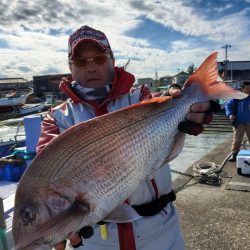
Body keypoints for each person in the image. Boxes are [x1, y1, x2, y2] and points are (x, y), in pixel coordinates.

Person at [36, 26, 219, 250]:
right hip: (95, 241)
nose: (91, 66)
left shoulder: (139, 96)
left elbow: (158, 101)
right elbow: (44, 175)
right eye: (81, 61)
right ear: (70, 67)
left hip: (161, 231)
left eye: (99, 58)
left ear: (112, 60)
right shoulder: (56, 118)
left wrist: (183, 102)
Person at [225, 80, 250, 162]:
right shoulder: (235, 96)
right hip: (239, 122)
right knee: (237, 139)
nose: (249, 90)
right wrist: (230, 114)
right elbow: (228, 106)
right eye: (247, 88)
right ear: (242, 88)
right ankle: (234, 154)